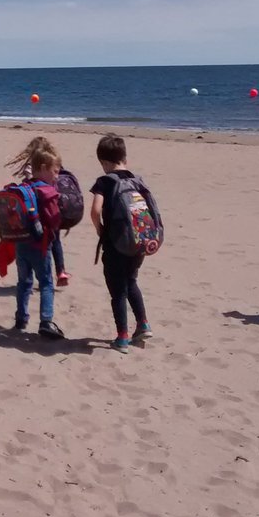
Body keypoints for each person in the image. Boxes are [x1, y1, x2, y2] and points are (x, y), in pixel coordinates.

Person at [89, 134, 155, 353]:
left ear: (104, 162)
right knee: (131, 281)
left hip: (116, 243)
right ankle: (143, 324)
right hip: (139, 242)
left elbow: (95, 210)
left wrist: (100, 230)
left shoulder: (105, 182)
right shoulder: (137, 180)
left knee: (118, 291)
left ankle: (122, 337)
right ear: (124, 157)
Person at [12, 148, 65, 339]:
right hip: (40, 246)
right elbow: (54, 220)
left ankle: (21, 317)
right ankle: (46, 321)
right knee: (46, 283)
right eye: (55, 171)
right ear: (43, 168)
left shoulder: (24, 187)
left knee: (23, 282)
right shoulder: (47, 191)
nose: (57, 176)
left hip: (20, 244)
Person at [6, 136, 72, 287]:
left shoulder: (34, 167)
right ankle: (60, 270)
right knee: (54, 240)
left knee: (44, 240)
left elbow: (26, 188)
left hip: (37, 210)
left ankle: (49, 271)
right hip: (50, 208)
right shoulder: (50, 164)